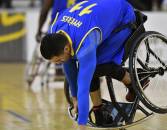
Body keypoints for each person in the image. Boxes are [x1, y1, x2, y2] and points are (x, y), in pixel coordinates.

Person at [40, 0, 149, 129]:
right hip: (99, 13)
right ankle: (99, 109)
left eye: (58, 60)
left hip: (124, 17)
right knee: (88, 66)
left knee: (97, 67)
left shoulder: (85, 42)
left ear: (65, 49)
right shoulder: (55, 30)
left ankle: (133, 81)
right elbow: (68, 65)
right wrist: (75, 98)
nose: (57, 63)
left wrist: (82, 124)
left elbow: (83, 86)